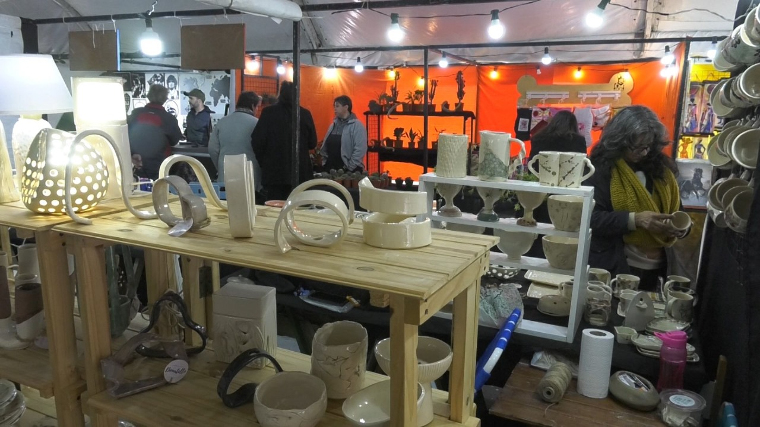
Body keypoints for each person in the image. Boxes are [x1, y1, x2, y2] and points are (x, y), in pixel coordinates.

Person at [585, 105, 688, 291]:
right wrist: (635, 219)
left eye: (648, 146)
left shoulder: (663, 172)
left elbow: (677, 212)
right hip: (615, 265)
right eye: (637, 147)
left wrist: (682, 227)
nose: (644, 153)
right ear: (619, 140)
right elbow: (590, 218)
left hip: (659, 268)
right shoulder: (600, 170)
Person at [251, 81, 318, 201]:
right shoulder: (304, 114)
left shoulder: (268, 113)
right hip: (300, 172)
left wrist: (264, 162)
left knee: (275, 208)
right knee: (299, 207)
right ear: (297, 95)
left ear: (280, 94)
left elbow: (257, 141)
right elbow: (312, 143)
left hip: (274, 173)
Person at [209, 91, 262, 191]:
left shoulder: (222, 122)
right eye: (257, 107)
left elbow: (212, 149)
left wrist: (220, 167)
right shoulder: (257, 124)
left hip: (225, 177)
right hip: (250, 177)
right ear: (252, 105)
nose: (257, 109)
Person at [127, 84, 183, 180]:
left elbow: (127, 135)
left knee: (139, 186)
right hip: (160, 164)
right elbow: (174, 140)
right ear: (165, 98)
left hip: (137, 162)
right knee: (159, 187)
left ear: (149, 95)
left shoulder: (135, 113)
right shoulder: (169, 118)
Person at [319, 95, 367, 172]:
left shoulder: (357, 126)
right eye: (334, 106)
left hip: (350, 172)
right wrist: (325, 163)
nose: (335, 108)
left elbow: (360, 149)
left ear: (346, 107)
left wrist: (349, 168)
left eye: (337, 106)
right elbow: (325, 147)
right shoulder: (333, 125)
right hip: (331, 170)